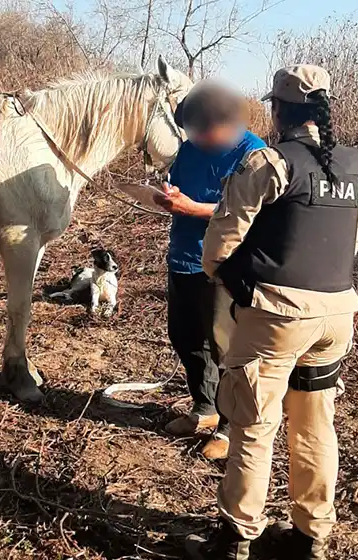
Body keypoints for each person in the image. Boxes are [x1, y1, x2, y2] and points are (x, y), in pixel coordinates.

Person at [185, 65, 358, 560]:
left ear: (279, 109)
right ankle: (312, 536)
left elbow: (217, 248)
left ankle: (236, 537)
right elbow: (348, 245)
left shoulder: (269, 163)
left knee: (253, 425)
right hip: (336, 317)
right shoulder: (354, 166)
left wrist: (237, 284)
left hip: (278, 318)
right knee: (314, 426)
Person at [153, 80, 265, 460]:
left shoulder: (254, 155)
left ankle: (229, 428)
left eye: (202, 129)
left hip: (224, 265)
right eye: (190, 129)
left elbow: (251, 213)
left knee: (226, 347)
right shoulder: (189, 148)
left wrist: (193, 208)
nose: (195, 137)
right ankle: (204, 408)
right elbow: (181, 189)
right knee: (185, 338)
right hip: (183, 258)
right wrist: (167, 198)